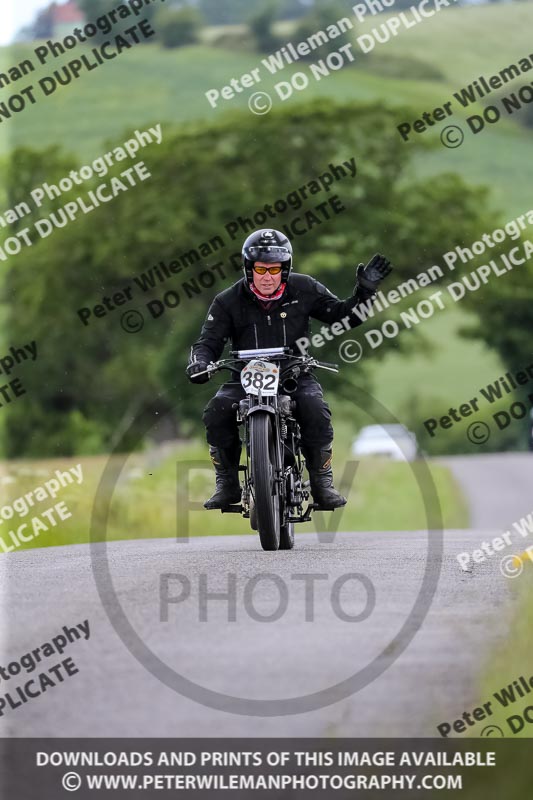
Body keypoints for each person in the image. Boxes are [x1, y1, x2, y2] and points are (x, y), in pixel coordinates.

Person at [186, 229, 392, 510]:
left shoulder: (304, 288)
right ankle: (227, 483)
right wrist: (200, 362)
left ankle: (322, 483)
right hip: (244, 378)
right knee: (217, 410)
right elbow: (207, 343)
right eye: (260, 268)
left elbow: (344, 316)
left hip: (294, 374)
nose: (267, 276)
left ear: (285, 269)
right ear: (249, 269)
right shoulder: (227, 301)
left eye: (275, 269)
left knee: (314, 408)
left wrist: (365, 292)